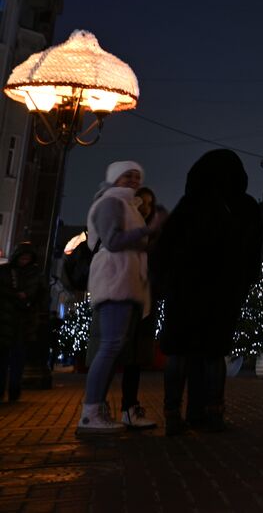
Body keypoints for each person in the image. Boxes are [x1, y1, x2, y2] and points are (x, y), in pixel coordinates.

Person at [152, 149, 262, 435]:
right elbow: (253, 255)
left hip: (185, 291)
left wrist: (164, 283)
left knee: (178, 351)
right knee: (213, 353)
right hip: (223, 294)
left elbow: (165, 248)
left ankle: (173, 414)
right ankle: (212, 414)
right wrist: (242, 284)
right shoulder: (246, 206)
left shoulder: (190, 204)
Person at [78, 160, 161, 435]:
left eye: (137, 176)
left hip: (125, 281)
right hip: (116, 280)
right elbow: (113, 241)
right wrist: (148, 230)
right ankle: (91, 412)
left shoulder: (126, 205)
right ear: (114, 178)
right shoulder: (112, 202)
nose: (134, 180)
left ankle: (96, 410)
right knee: (111, 346)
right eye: (128, 176)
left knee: (114, 347)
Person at [0, 243, 43, 403]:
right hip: (6, 321)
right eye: (22, 258)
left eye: (27, 258)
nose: (24, 261)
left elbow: (37, 295)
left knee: (17, 359)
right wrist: (18, 296)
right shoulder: (6, 271)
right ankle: (4, 390)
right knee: (4, 359)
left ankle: (14, 390)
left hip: (22, 324)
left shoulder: (34, 274)